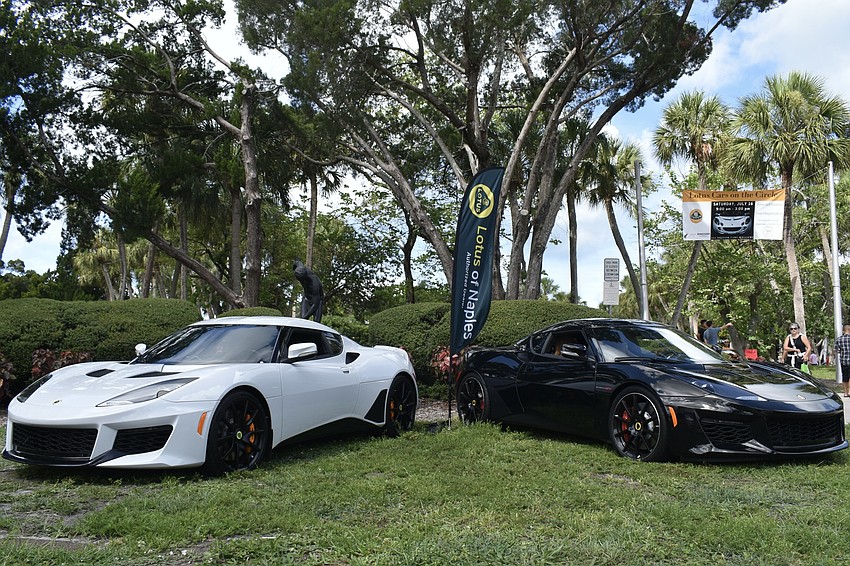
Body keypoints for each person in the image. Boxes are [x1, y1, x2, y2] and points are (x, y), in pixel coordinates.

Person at [834, 324, 850, 397]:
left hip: (843, 360)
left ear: (843, 330)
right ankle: (849, 391)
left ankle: (845, 393)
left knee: (845, 377)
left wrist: (842, 352)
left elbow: (836, 350)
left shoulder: (839, 339)